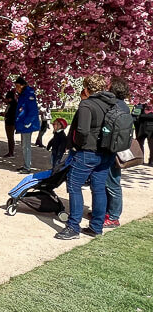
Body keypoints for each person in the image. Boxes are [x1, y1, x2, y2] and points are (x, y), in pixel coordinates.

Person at [55, 74, 117, 240]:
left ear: (86, 88)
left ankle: (73, 226)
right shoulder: (113, 104)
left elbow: (82, 130)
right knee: (98, 189)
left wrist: (77, 145)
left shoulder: (87, 105)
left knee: (74, 187)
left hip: (87, 152)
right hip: (107, 153)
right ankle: (96, 226)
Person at [105, 77, 132, 229]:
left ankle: (114, 216)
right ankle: (109, 212)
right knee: (110, 182)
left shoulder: (116, 106)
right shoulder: (123, 105)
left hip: (113, 149)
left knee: (112, 183)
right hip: (117, 148)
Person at [14, 77, 40, 173]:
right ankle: (25, 164)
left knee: (26, 146)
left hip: (27, 125)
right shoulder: (23, 94)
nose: (16, 88)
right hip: (24, 123)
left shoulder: (28, 94)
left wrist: (27, 122)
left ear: (22, 85)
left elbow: (32, 110)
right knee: (24, 145)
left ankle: (27, 167)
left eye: (17, 86)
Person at [3, 89, 17, 157]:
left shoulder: (12, 105)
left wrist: (5, 115)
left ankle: (11, 152)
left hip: (10, 123)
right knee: (10, 138)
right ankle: (11, 151)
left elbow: (10, 114)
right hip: (10, 122)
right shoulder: (13, 104)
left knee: (10, 138)